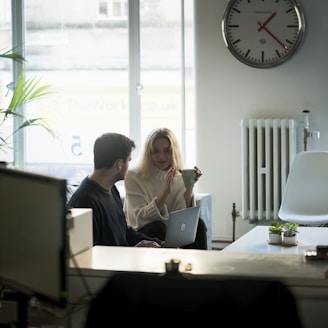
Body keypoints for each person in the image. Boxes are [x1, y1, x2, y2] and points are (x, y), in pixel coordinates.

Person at [67, 132, 162, 248]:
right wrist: (134, 252)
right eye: (129, 160)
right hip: (112, 265)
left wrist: (159, 244)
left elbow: (125, 232)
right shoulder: (84, 201)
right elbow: (92, 255)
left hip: (122, 260)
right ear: (119, 164)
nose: (129, 166)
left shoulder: (111, 189)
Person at [124, 128, 207, 249]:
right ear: (149, 153)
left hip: (170, 232)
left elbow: (184, 219)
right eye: (156, 151)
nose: (161, 156)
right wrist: (165, 192)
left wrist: (189, 186)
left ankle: (198, 266)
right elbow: (139, 219)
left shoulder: (179, 176)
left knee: (198, 225)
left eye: (167, 151)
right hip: (145, 233)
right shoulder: (134, 176)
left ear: (173, 152)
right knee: (157, 227)